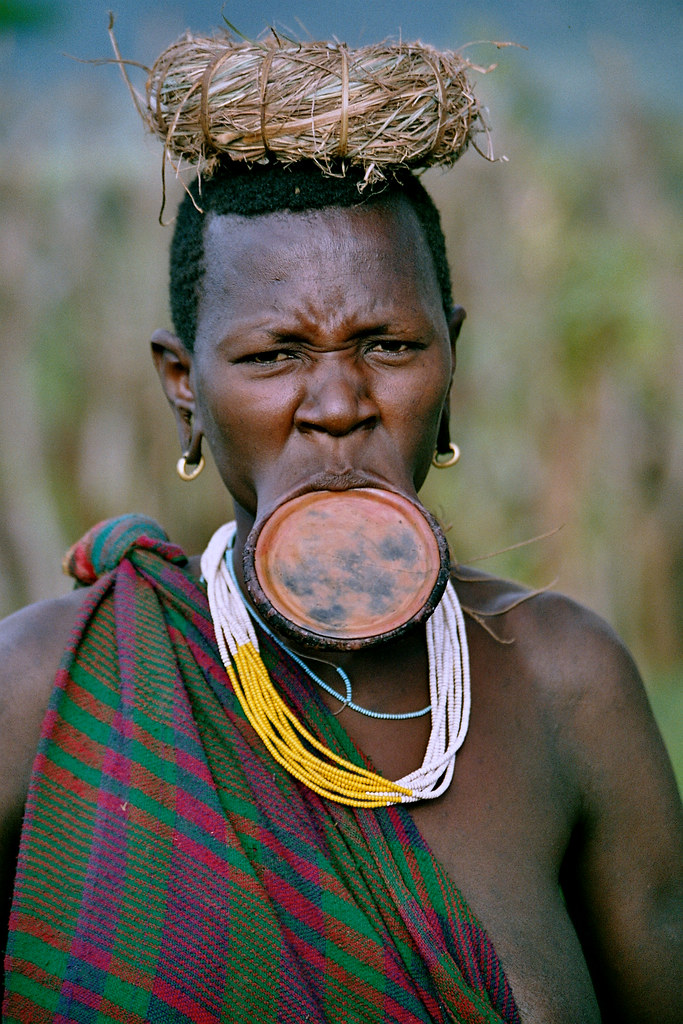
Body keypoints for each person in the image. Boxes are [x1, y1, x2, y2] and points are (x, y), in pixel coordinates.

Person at [1, 34, 682, 1024]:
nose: (336, 402)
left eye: (389, 345)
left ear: (452, 361)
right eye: (275, 354)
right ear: (182, 387)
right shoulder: (48, 684)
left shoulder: (561, 681)